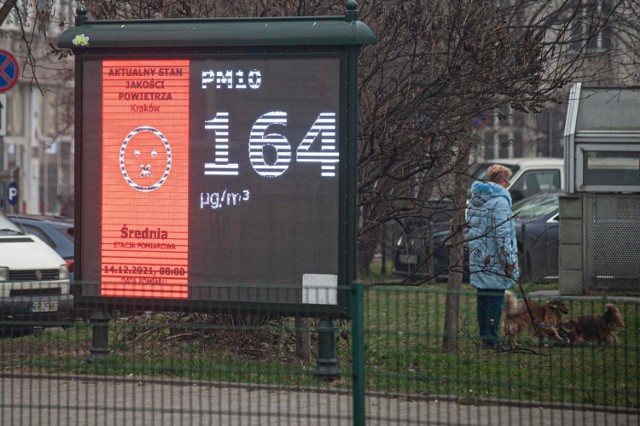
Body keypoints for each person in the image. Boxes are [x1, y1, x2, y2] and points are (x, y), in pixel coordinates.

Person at [466, 164, 519, 349]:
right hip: (495, 260)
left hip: (479, 257)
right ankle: (493, 340)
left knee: (483, 298)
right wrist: (509, 262)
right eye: (508, 181)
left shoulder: (475, 200)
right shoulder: (500, 202)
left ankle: (485, 337)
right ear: (502, 181)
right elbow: (502, 236)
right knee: (495, 299)